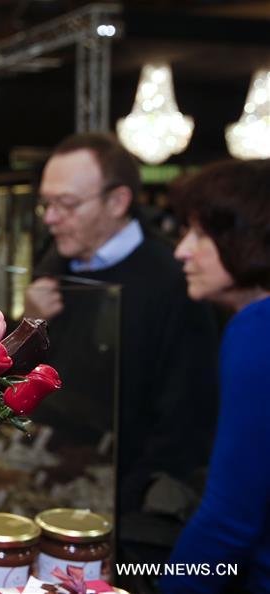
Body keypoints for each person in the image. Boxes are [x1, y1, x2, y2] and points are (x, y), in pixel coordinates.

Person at [23, 134, 220, 545]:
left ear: (117, 202)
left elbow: (187, 414)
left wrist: (126, 497)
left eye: (68, 204)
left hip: (123, 504)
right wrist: (28, 324)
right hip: (46, 477)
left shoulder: (172, 280)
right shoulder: (54, 258)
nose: (51, 218)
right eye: (47, 203)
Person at [161, 159, 270, 594]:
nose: (181, 250)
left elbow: (231, 517)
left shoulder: (258, 329)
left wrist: (174, 585)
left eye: (202, 235)